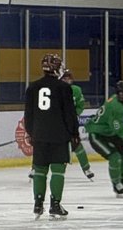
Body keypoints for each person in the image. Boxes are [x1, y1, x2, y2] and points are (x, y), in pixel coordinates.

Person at [23, 53, 81, 219]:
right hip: (59, 135)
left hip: (39, 135)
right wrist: (74, 134)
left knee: (40, 170)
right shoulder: (64, 88)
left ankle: (38, 204)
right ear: (57, 68)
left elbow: (29, 114)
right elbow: (70, 114)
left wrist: (31, 132)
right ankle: (55, 204)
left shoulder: (32, 87)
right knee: (58, 170)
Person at [60, 68, 95, 180]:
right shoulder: (56, 90)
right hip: (58, 124)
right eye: (64, 78)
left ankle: (86, 168)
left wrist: (74, 115)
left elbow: (80, 105)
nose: (66, 80)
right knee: (50, 146)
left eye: (68, 78)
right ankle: (36, 168)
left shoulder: (76, 90)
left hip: (71, 124)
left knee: (77, 145)